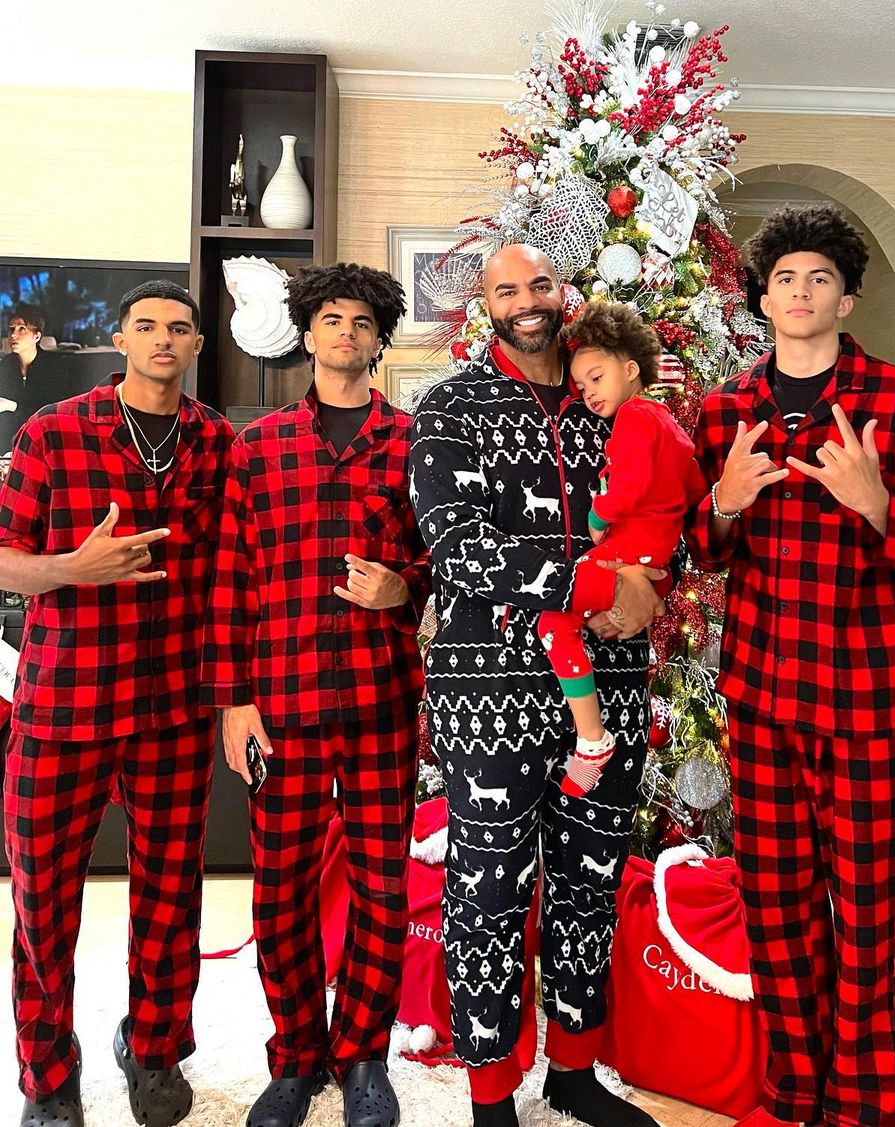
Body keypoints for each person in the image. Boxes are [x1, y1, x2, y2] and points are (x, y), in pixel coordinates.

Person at [686, 203, 895, 1127]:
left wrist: (880, 507)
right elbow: (701, 548)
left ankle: (862, 1102)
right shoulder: (729, 408)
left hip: (876, 703)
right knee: (775, 910)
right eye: (784, 279)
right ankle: (795, 1087)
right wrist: (723, 503)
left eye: (819, 279)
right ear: (763, 299)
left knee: (872, 918)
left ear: (847, 299)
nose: (801, 293)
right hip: (766, 700)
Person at [409, 244, 665, 1127]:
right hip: (488, 697)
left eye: (540, 285)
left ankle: (574, 1071)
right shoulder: (450, 407)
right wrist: (600, 585)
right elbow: (459, 549)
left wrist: (658, 579)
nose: (526, 302)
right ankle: (489, 1094)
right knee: (486, 891)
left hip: (613, 689)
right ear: (485, 305)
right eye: (506, 289)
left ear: (565, 294)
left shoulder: (614, 403)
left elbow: (660, 513)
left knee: (590, 882)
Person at [201, 262, 432, 1127]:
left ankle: (363, 1054)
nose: (345, 333)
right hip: (282, 708)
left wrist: (402, 588)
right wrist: (234, 701)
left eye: (362, 322)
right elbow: (231, 579)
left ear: (380, 340)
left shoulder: (413, 443)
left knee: (379, 885)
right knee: (282, 889)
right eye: (331, 319)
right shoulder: (255, 447)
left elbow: (440, 557)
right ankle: (295, 1056)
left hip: (381, 704)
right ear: (307, 333)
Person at [0, 280, 233, 1127]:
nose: (163, 339)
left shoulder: (216, 443)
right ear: (119, 338)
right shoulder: (53, 432)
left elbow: (231, 570)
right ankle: (46, 1073)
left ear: (198, 345)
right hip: (63, 704)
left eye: (179, 328)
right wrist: (68, 568)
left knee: (171, 894)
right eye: (146, 326)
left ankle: (155, 1044)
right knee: (43, 898)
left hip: (174, 703)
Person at [539, 301, 704, 796]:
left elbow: (628, 485)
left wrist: (597, 516)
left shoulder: (633, 417)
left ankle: (592, 738)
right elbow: (696, 491)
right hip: (652, 553)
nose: (588, 393)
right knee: (574, 621)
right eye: (582, 386)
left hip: (627, 548)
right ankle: (591, 736)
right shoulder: (670, 425)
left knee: (552, 623)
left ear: (631, 369)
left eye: (596, 377)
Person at [0, 304, 67, 456]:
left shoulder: (54, 367)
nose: (13, 336)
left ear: (37, 336)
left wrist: (13, 406)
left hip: (45, 441)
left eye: (22, 329)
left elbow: (53, 411)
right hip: (8, 444)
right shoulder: (6, 365)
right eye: (11, 329)